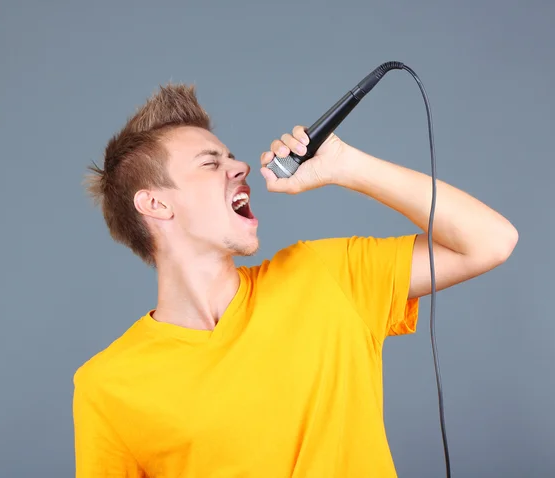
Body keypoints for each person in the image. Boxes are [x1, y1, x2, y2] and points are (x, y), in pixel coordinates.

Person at [73, 83, 518, 478]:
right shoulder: (107, 385)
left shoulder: (324, 274)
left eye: (231, 157)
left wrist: (347, 166)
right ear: (155, 204)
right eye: (210, 163)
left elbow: (490, 241)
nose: (240, 166)